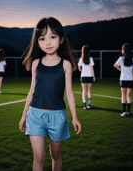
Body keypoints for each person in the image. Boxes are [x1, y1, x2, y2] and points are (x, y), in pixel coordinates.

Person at [19, 17, 81, 171]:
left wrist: (75, 117)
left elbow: (70, 92)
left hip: (57, 117)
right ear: (37, 42)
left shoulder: (66, 64)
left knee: (56, 156)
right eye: (42, 38)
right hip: (35, 116)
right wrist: (23, 116)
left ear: (61, 39)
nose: (48, 42)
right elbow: (31, 91)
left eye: (52, 37)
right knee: (39, 158)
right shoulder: (35, 63)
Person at [114, 43, 133, 117]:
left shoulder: (121, 59)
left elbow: (115, 65)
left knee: (123, 95)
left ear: (123, 51)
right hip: (131, 79)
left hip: (123, 79)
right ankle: (128, 112)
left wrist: (121, 70)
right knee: (129, 95)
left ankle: (124, 112)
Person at [78, 45, 96, 109]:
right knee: (89, 91)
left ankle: (84, 105)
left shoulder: (81, 59)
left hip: (83, 76)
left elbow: (79, 67)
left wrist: (82, 71)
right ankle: (89, 105)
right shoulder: (90, 58)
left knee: (84, 90)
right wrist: (94, 77)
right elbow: (92, 68)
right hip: (90, 76)